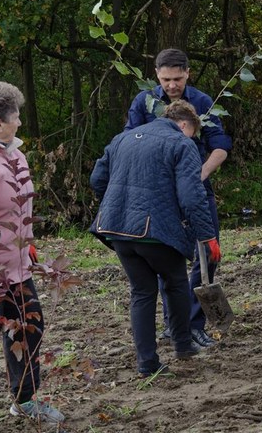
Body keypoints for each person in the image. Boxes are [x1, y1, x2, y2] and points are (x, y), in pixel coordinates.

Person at [91, 101, 221, 377]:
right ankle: (183, 345)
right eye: (192, 133)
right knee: (176, 284)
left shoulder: (122, 138)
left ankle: (147, 363)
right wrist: (207, 236)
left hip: (117, 230)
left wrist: (119, 207)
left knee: (141, 292)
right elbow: (191, 196)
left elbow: (97, 180)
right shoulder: (181, 143)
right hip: (155, 231)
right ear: (184, 125)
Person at [125, 48, 232, 348]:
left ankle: (194, 323)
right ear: (156, 76)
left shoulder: (203, 102)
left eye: (177, 79)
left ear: (187, 73)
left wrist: (197, 175)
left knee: (208, 254)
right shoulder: (145, 102)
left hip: (196, 190)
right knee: (167, 259)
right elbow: (130, 141)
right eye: (166, 80)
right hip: (159, 196)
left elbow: (220, 146)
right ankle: (175, 325)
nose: (172, 85)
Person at [0, 82, 64, 424]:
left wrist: (26, 245)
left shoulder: (14, 154)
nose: (20, 122)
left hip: (16, 266)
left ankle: (25, 400)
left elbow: (19, 209)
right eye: (16, 116)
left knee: (29, 327)